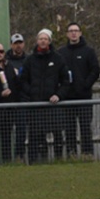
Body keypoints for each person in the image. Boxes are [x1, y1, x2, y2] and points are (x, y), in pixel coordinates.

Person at [17, 29, 70, 164]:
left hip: (54, 106)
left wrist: (58, 95)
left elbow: (65, 81)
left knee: (58, 134)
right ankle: (37, 162)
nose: (43, 41)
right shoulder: (29, 60)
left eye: (45, 39)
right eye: (40, 39)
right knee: (36, 136)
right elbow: (23, 80)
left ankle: (59, 160)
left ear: (49, 41)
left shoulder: (58, 59)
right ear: (37, 41)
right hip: (36, 106)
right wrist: (32, 93)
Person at [57, 22, 100, 158]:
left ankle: (87, 154)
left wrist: (85, 84)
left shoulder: (89, 52)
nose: (73, 33)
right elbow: (57, 72)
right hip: (67, 98)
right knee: (69, 129)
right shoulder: (61, 53)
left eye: (76, 30)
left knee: (85, 128)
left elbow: (95, 70)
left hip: (84, 97)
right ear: (67, 34)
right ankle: (71, 154)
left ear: (80, 33)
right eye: (71, 31)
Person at [6, 32, 29, 162]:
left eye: (20, 43)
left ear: (23, 44)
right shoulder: (6, 62)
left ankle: (20, 157)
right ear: (11, 45)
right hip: (9, 101)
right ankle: (7, 159)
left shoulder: (28, 60)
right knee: (6, 133)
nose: (18, 46)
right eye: (15, 44)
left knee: (21, 132)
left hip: (23, 101)